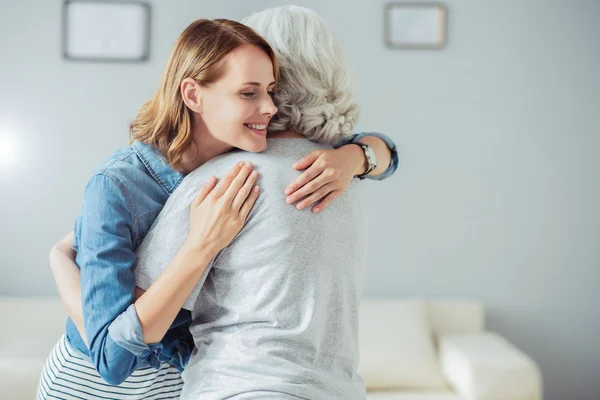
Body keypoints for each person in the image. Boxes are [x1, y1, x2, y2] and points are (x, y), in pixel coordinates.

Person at [38, 17, 397, 400]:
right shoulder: (118, 185)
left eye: (273, 91)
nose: (270, 108)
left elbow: (387, 154)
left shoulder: (240, 152)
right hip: (93, 385)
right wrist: (200, 246)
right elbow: (110, 358)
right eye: (248, 93)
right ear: (193, 95)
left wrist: (355, 157)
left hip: (174, 380)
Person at [134, 6, 376, 399]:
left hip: (239, 387)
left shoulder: (225, 179)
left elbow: (139, 323)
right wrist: (362, 155)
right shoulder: (346, 177)